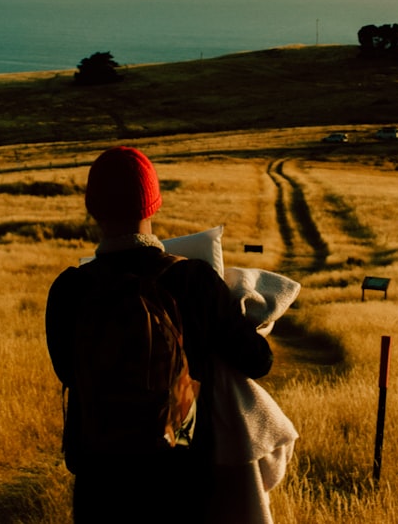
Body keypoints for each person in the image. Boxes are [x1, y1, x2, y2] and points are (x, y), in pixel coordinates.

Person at [45, 146, 274, 523]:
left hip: (99, 485)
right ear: (154, 204)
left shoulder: (70, 289)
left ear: (93, 208)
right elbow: (258, 361)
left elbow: (68, 372)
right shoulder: (195, 280)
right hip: (180, 479)